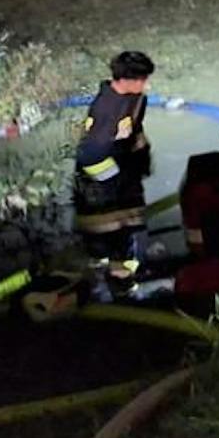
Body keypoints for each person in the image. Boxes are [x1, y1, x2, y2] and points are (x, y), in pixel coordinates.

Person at [74, 50, 156, 291]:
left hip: (120, 180)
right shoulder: (105, 113)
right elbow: (88, 158)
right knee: (116, 239)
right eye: (142, 79)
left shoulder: (134, 98)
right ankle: (119, 279)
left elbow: (135, 128)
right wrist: (118, 179)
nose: (146, 85)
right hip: (102, 194)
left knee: (127, 235)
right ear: (126, 80)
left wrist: (141, 155)